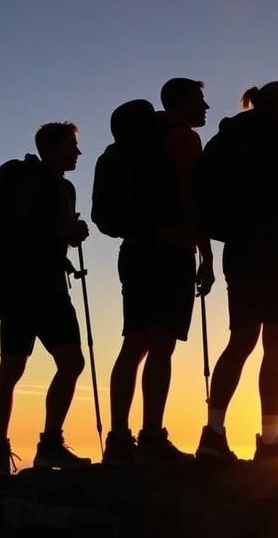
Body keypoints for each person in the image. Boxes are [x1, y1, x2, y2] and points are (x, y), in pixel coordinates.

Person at [195, 82, 278, 462]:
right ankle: (269, 440)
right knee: (276, 347)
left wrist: (208, 254)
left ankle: (213, 433)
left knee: (240, 341)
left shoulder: (227, 139)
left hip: (240, 251)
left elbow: (200, 195)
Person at [104, 78, 214, 465]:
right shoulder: (182, 138)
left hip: (134, 249)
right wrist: (206, 252)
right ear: (180, 101)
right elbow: (190, 196)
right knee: (162, 344)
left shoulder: (131, 144)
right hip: (171, 250)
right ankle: (152, 436)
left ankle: (119, 438)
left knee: (134, 342)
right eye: (199, 100)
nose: (206, 107)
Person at [0, 122, 91, 476]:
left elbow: (53, 234)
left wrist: (72, 235)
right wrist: (61, 232)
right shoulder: (30, 181)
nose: (77, 153)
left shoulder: (66, 188)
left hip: (44, 286)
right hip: (25, 285)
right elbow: (17, 230)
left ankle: (45, 446)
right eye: (71, 145)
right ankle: (6, 451)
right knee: (14, 367)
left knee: (69, 363)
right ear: (52, 147)